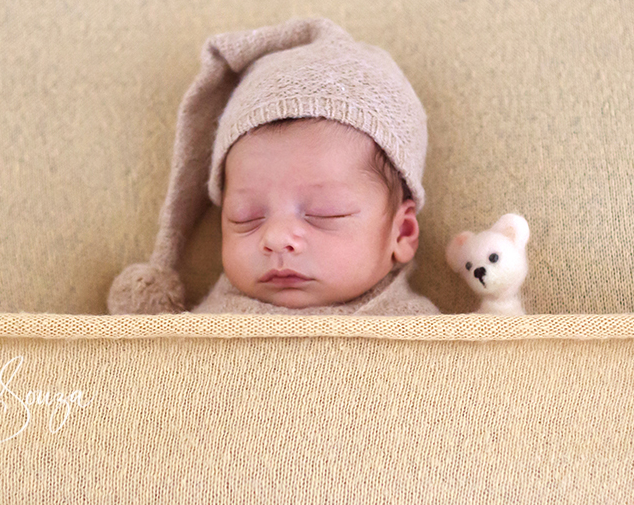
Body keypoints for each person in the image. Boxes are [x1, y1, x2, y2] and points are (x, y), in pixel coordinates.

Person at [107, 17, 439, 315]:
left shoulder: (423, 338)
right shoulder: (206, 329)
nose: (277, 238)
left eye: (326, 213)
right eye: (245, 217)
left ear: (402, 232)